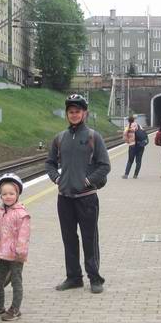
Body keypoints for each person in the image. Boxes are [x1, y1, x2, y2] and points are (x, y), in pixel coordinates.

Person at [46, 94, 111, 294]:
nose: (74, 115)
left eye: (77, 111)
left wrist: (88, 181)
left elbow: (105, 166)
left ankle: (95, 278)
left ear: (85, 113)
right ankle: (74, 277)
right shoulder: (59, 138)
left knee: (89, 239)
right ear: (67, 114)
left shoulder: (93, 137)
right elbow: (50, 163)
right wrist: (57, 178)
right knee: (69, 239)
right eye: (71, 112)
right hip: (64, 198)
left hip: (87, 198)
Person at [0, 173, 30, 321]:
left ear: (17, 194)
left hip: (16, 256)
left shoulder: (21, 214)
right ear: (0, 195)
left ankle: (15, 309)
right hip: (2, 254)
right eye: (4, 194)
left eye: (11, 193)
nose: (8, 196)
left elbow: (24, 235)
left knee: (16, 282)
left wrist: (20, 252)